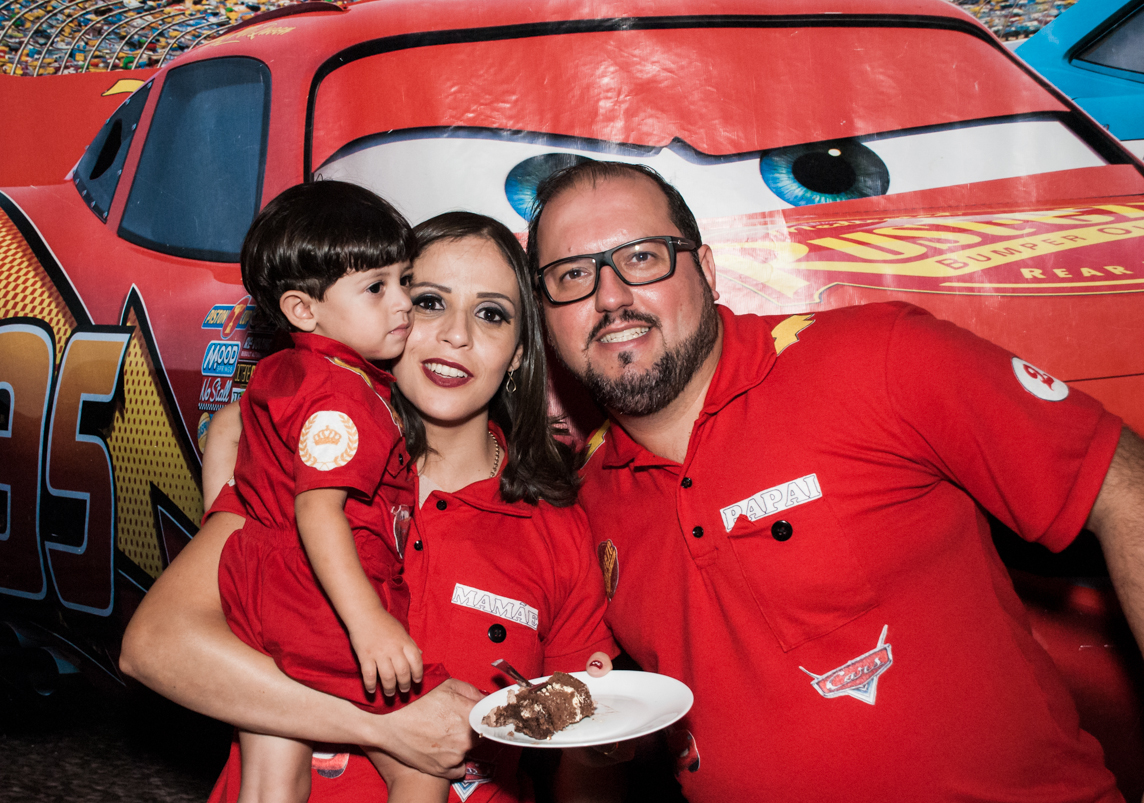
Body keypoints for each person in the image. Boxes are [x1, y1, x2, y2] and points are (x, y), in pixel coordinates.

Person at [526, 160, 1144, 803]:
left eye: (642, 257)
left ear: (705, 271)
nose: (609, 296)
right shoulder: (587, 504)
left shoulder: (876, 358)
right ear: (547, 318)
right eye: (571, 275)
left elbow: (1125, 486)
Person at [121, 211, 616, 803]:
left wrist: (590, 720)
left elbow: (576, 758)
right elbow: (153, 647)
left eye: (491, 313)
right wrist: (384, 727)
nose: (457, 334)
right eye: (430, 301)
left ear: (517, 354)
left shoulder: (556, 529)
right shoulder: (296, 466)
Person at [215, 180, 450, 803]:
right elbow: (318, 510)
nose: (402, 303)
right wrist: (367, 622)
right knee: (429, 758)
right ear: (302, 309)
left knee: (272, 767)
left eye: (403, 280)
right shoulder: (342, 395)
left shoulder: (287, 371)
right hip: (315, 600)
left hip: (259, 586)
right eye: (376, 288)